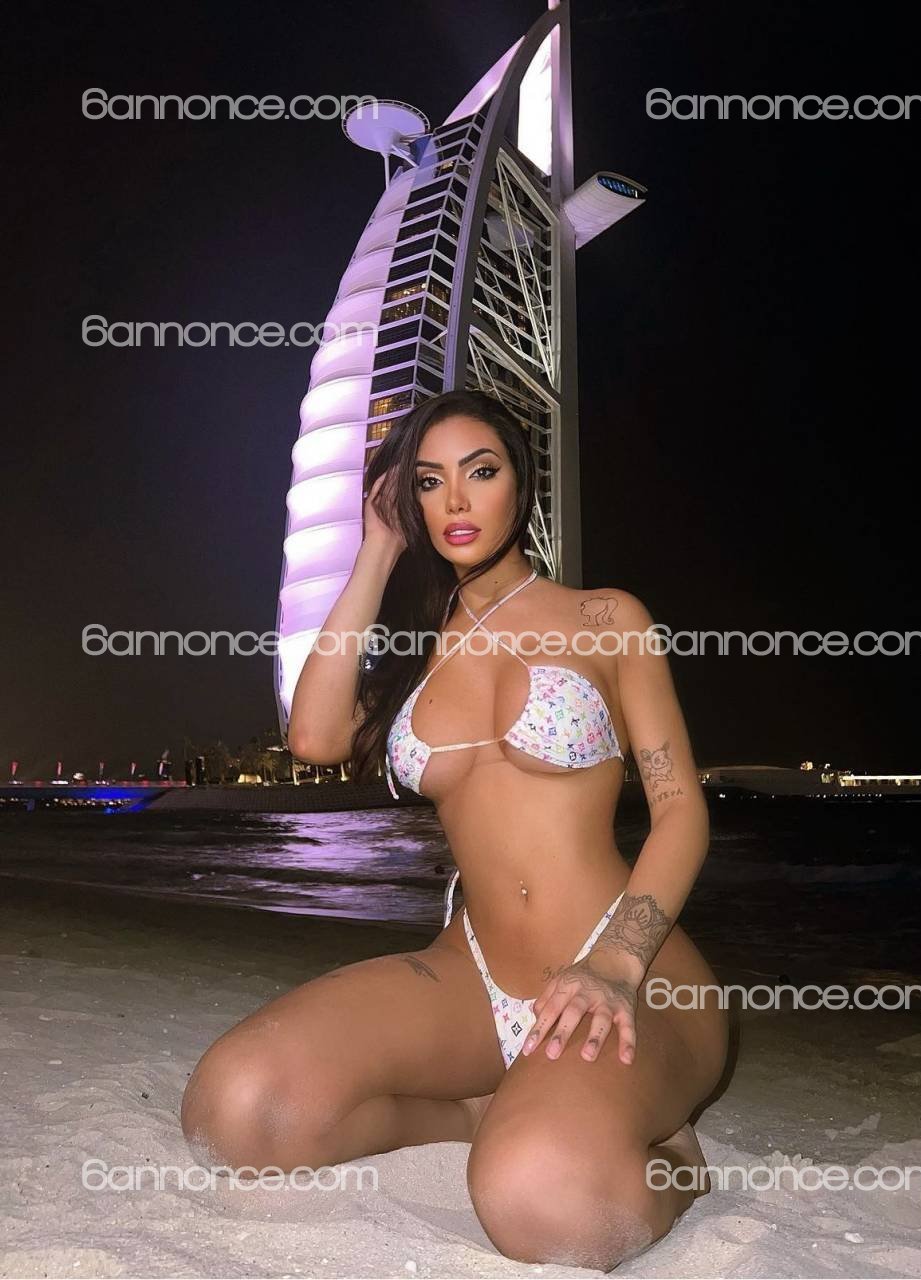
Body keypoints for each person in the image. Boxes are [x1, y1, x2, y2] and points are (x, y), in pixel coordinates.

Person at [180, 389, 729, 1270]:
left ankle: (676, 1162)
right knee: (238, 1111)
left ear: (523, 483)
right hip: (473, 973)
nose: (456, 500)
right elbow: (313, 736)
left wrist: (616, 963)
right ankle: (479, 1109)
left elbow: (681, 813)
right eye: (429, 482)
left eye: (481, 471)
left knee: (542, 1199)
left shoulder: (606, 619)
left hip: (633, 973)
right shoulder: (418, 651)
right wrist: (376, 548)